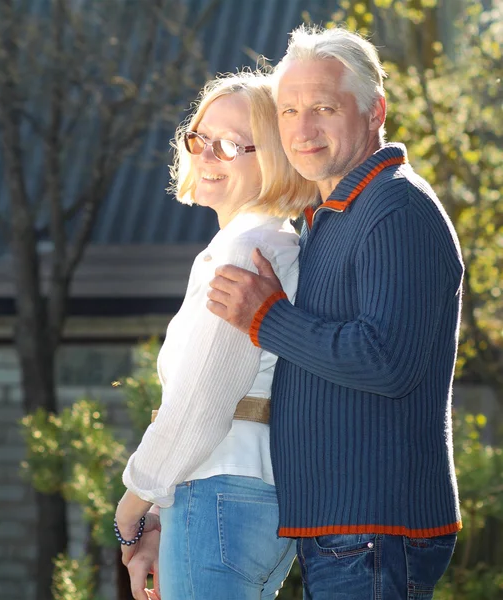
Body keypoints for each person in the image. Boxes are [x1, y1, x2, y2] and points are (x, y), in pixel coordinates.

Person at [207, 26, 464, 600]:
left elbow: (387, 361)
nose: (302, 128)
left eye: (323, 107)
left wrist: (266, 317)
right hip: (345, 529)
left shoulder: (396, 208)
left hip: (374, 526)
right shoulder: (334, 214)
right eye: (289, 110)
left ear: (376, 110)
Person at [115, 71, 317, 600]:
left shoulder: (244, 250)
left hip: (221, 497)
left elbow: (202, 402)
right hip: (240, 497)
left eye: (230, 145)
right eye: (199, 138)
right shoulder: (265, 242)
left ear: (272, 157)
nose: (207, 155)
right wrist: (161, 513)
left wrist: (132, 506)